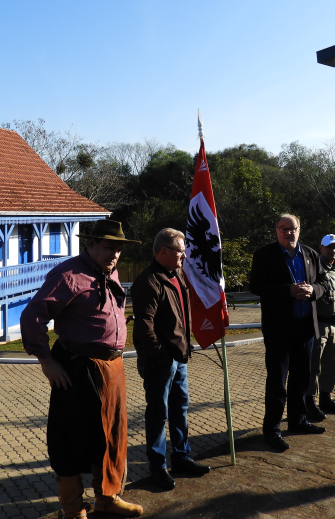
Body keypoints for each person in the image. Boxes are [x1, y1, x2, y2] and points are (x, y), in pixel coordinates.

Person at [20, 220, 143, 519]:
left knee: (111, 436)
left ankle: (107, 498)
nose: (114, 255)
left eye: (119, 249)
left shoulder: (109, 272)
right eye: (109, 247)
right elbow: (32, 316)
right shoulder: (67, 275)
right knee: (71, 438)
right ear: (91, 244)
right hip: (78, 369)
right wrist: (46, 361)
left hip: (112, 368)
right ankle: (73, 509)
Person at [131, 228, 211, 491]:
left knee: (180, 409)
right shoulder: (149, 281)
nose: (183, 255)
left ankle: (181, 456)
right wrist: (161, 356)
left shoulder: (176, 275)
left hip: (179, 357)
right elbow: (144, 327)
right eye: (179, 251)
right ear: (163, 251)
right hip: (161, 361)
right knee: (158, 413)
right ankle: (158, 466)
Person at [250, 214, 327, 452]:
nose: (287, 233)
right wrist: (289, 290)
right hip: (278, 330)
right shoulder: (264, 255)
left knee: (301, 379)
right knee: (277, 382)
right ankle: (272, 430)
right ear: (276, 231)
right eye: (282, 229)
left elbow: (324, 282)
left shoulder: (312, 255)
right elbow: (256, 286)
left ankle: (298, 420)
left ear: (299, 229)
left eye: (291, 228)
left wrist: (312, 290)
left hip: (306, 328)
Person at [304, 234, 335, 421]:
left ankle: (326, 397)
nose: (334, 250)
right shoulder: (315, 268)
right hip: (317, 323)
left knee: (332, 362)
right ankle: (310, 402)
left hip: (333, 324)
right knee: (314, 366)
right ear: (320, 248)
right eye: (330, 247)